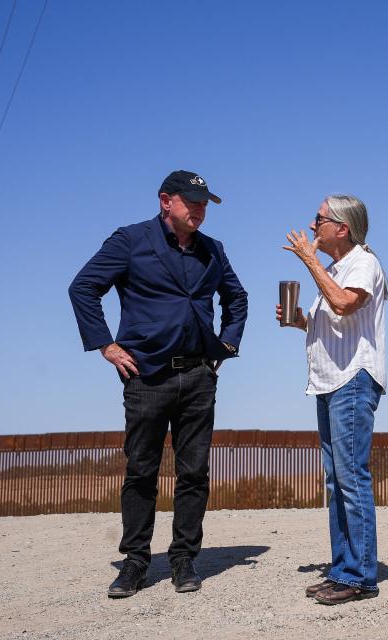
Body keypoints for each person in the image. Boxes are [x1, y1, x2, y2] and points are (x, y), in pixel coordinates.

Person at [69, 170, 248, 599]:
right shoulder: (131, 240)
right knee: (141, 470)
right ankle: (134, 562)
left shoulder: (212, 250)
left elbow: (236, 299)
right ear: (166, 201)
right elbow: (83, 288)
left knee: (193, 473)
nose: (200, 210)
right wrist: (105, 345)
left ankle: (185, 558)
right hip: (146, 374)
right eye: (192, 202)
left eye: (205, 204)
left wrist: (224, 347)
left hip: (199, 376)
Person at [279, 194, 387, 605]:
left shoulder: (364, 262)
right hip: (330, 381)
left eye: (319, 219)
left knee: (351, 477)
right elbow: (335, 319)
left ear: (341, 228)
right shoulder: (339, 268)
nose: (312, 225)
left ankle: (360, 576)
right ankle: (344, 569)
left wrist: (310, 262)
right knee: (336, 480)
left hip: (353, 380)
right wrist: (300, 321)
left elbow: (344, 303)